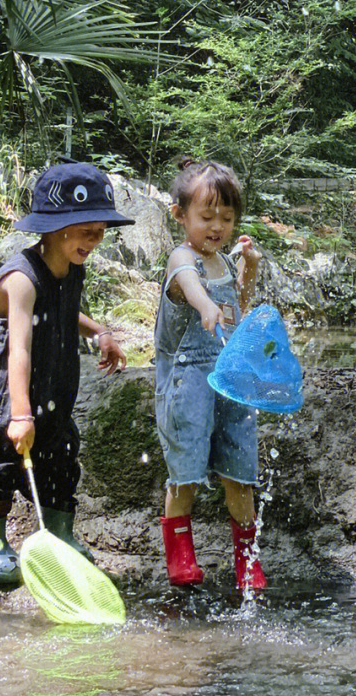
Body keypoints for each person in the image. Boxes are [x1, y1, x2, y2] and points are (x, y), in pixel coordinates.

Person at [0, 159, 132, 589]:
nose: (95, 238)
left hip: (47, 383)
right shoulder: (22, 279)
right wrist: (20, 413)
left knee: (60, 447)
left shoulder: (70, 266)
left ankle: (59, 532)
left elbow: (64, 310)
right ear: (51, 228)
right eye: (85, 228)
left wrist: (99, 331)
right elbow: (19, 350)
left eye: (100, 228)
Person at [154, 156, 267, 591]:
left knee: (240, 467)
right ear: (180, 215)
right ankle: (180, 552)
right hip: (188, 384)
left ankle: (247, 556)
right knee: (186, 467)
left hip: (228, 379)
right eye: (206, 217)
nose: (216, 227)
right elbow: (191, 286)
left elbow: (238, 302)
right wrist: (203, 306)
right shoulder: (181, 258)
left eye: (226, 217)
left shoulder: (221, 259)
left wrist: (249, 266)